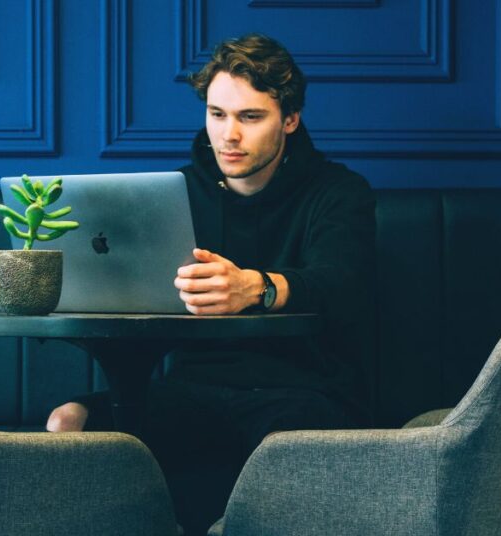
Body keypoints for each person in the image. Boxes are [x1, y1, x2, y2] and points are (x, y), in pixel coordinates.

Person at [47, 34, 376, 535]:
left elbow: (342, 285)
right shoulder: (176, 194)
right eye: (217, 114)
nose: (229, 136)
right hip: (194, 389)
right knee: (68, 421)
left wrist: (257, 288)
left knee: (289, 444)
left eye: (250, 117)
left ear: (290, 119)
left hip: (301, 390)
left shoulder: (338, 191)